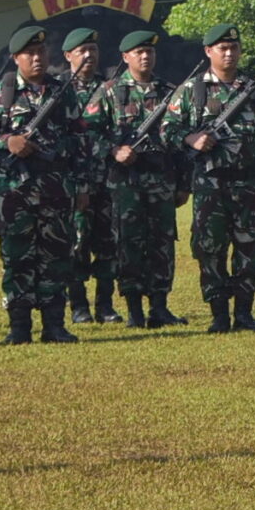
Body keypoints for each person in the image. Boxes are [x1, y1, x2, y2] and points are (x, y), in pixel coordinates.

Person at [0, 24, 87, 344]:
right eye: (30, 54)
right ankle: (19, 326)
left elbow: (80, 139)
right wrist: (7, 141)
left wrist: (82, 186)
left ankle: (55, 324)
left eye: (41, 52)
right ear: (16, 58)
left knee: (55, 256)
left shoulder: (62, 92)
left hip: (55, 188)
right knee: (16, 256)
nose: (37, 58)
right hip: (13, 191)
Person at [168, 24, 255, 332]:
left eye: (234, 47)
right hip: (210, 184)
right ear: (209, 52)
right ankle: (219, 314)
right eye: (222, 48)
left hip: (250, 182)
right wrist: (190, 138)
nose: (229, 53)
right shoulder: (192, 91)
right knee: (210, 248)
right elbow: (166, 130)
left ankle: (244, 313)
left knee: (251, 247)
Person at [89, 27, 187, 328]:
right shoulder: (109, 91)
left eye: (150, 52)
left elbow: (181, 139)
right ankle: (133, 309)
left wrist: (183, 183)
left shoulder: (170, 92)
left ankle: (160, 306)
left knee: (162, 244)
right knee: (128, 245)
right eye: (139, 52)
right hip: (125, 183)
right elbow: (87, 134)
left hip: (161, 181)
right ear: (125, 57)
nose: (145, 56)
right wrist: (114, 149)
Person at [61, 27, 123, 323]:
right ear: (68, 56)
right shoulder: (57, 90)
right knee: (75, 244)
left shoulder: (111, 88)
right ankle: (78, 306)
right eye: (82, 51)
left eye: (93, 51)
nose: (89, 56)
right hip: (71, 184)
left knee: (108, 243)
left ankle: (105, 305)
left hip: (107, 181)